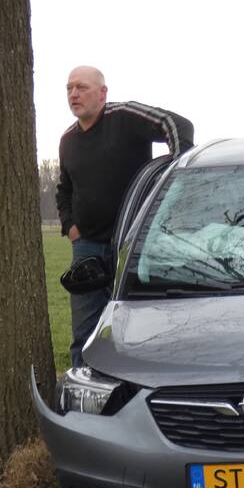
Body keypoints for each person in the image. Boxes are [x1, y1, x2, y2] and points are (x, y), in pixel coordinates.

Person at [56, 66, 194, 368]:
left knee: (140, 326)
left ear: (103, 93)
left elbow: (178, 125)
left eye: (81, 87)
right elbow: (63, 190)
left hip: (135, 246)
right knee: (86, 332)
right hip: (87, 247)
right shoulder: (67, 140)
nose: (74, 94)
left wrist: (175, 180)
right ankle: (84, 398)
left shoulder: (126, 116)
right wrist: (71, 227)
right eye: (69, 88)